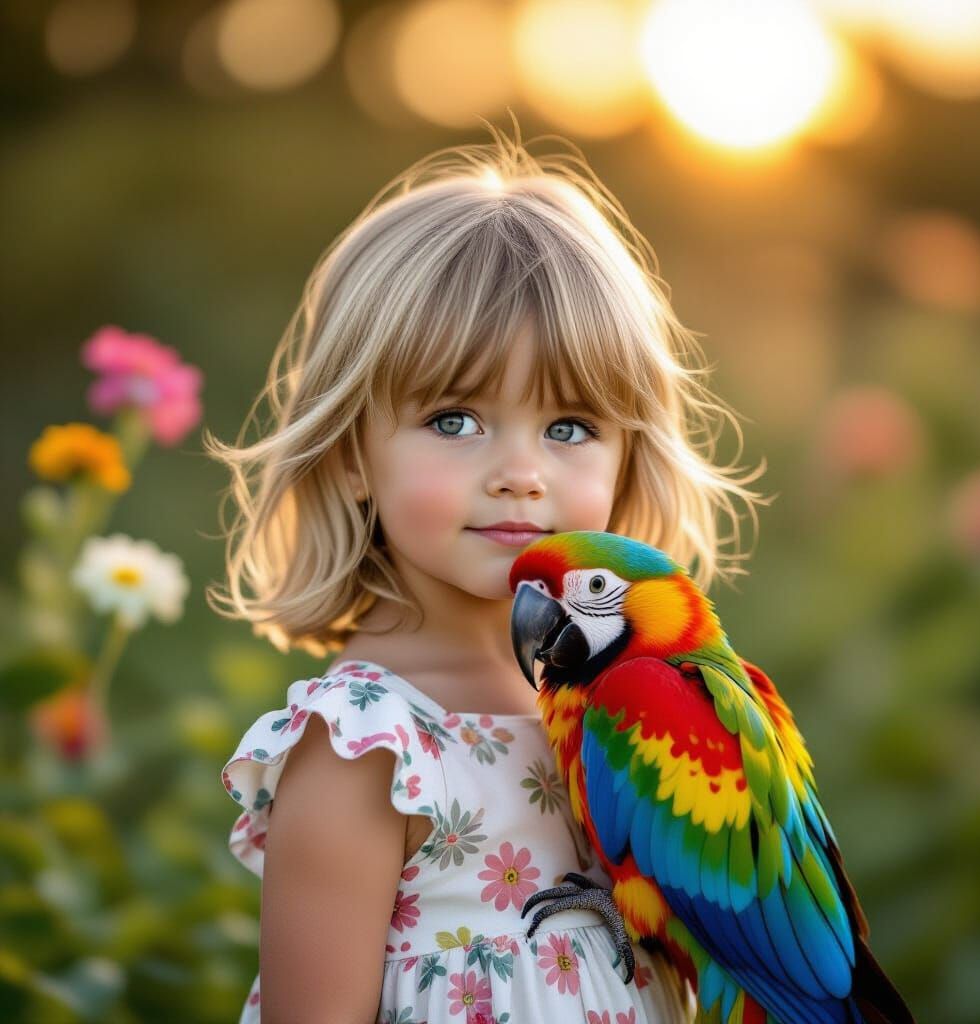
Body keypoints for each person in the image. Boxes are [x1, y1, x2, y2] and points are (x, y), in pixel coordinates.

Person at [207, 121, 768, 1024]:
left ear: (629, 460)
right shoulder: (367, 750)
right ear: (352, 452)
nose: (520, 471)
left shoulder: (619, 707)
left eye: (569, 427)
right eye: (457, 420)